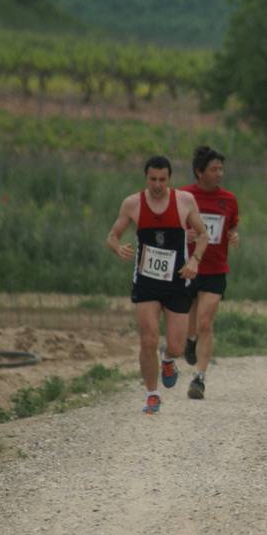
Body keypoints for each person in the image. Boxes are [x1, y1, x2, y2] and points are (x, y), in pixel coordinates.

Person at [106, 155, 208, 415]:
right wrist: (118, 247)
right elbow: (112, 235)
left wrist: (195, 260)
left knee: (176, 345)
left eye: (162, 180)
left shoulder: (184, 201)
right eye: (153, 179)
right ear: (146, 178)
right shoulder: (133, 203)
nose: (157, 185)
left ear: (169, 179)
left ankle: (168, 359)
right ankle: (152, 394)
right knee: (148, 339)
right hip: (147, 281)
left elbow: (203, 235)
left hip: (177, 280)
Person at [181, 145, 240, 401]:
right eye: (214, 169)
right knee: (190, 323)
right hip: (188, 268)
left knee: (206, 322)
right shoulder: (183, 196)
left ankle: (199, 379)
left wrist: (233, 235)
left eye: (221, 168)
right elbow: (170, 227)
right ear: (199, 172)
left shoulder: (228, 199)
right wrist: (184, 234)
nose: (219, 173)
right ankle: (190, 341)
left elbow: (232, 226)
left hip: (216, 269)